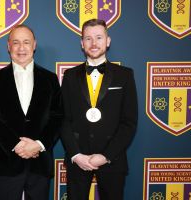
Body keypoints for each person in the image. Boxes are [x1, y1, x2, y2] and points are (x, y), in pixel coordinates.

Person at [60, 19, 138, 200]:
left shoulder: (125, 75)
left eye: (98, 37)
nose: (93, 43)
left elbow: (129, 122)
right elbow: (64, 119)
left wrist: (106, 156)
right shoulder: (70, 76)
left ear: (108, 41)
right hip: (78, 160)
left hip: (113, 160)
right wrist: (76, 155)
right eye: (88, 38)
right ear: (82, 43)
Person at [0, 24, 62, 200]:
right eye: (16, 42)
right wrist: (16, 144)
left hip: (40, 163)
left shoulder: (50, 79)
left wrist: (39, 144)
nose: (21, 48)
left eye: (26, 42)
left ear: (34, 45)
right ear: (8, 46)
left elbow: (57, 117)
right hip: (7, 163)